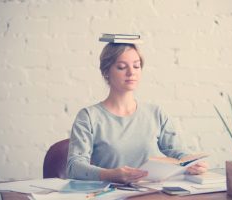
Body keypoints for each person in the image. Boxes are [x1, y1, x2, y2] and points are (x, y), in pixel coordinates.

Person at [66, 42, 208, 183]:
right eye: (122, 67)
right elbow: (73, 167)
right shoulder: (89, 116)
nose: (131, 72)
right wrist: (109, 174)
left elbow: (177, 152)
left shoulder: (156, 113)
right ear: (106, 72)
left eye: (136, 66)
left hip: (152, 194)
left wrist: (192, 162)